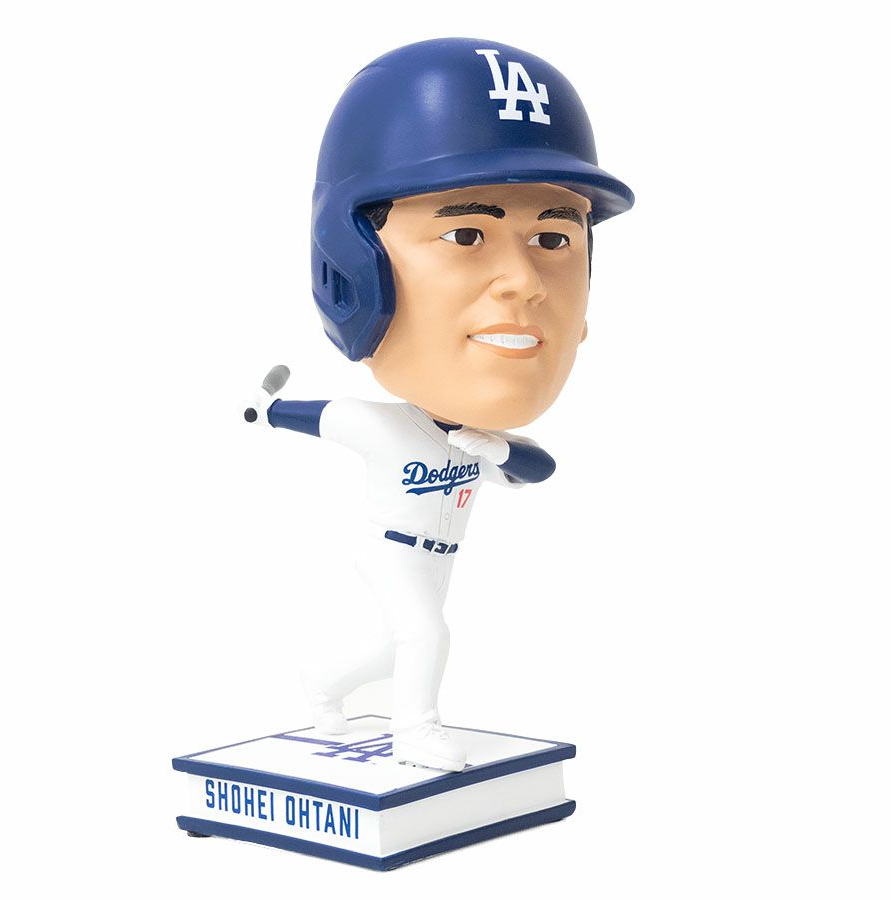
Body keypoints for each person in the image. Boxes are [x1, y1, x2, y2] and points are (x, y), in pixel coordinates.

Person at [246, 38, 634, 771]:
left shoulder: (475, 438)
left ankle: (324, 685)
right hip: (389, 548)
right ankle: (416, 731)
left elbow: (534, 469)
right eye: (465, 234)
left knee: (389, 645)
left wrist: (498, 450)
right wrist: (262, 410)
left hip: (437, 557)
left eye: (553, 237)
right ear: (353, 274)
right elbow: (312, 416)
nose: (524, 282)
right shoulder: (381, 425)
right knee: (426, 635)